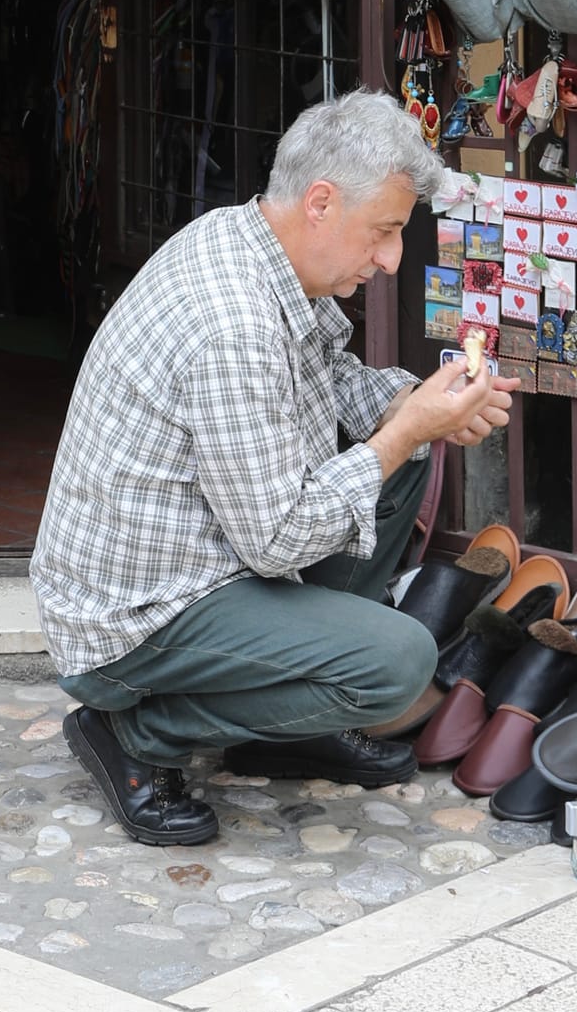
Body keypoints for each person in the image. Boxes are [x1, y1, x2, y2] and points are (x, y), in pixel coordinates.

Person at [33, 89, 514, 846]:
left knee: (405, 454)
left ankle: (284, 728)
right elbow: (279, 538)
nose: (390, 259)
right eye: (384, 232)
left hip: (208, 555)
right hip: (133, 626)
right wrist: (403, 432)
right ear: (321, 201)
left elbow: (336, 384)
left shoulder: (252, 239)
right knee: (396, 664)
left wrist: (417, 408)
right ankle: (137, 731)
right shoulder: (235, 323)